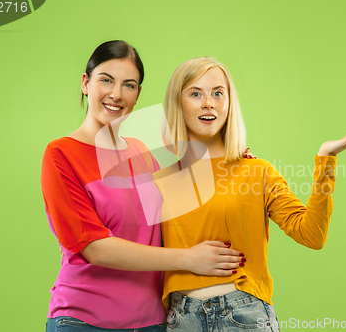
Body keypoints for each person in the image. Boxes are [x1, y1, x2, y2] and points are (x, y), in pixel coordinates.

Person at [155, 57, 346, 331]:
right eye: (195, 93)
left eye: (218, 93)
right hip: (181, 319)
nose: (208, 103)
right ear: (178, 103)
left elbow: (312, 235)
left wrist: (325, 159)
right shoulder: (159, 176)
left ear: (229, 103)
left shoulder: (257, 171)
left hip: (243, 314)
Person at [41, 41, 246, 331]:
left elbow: (182, 203)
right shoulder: (61, 154)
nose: (116, 94)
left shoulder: (142, 149)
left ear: (137, 94)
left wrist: (230, 162)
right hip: (83, 321)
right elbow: (94, 248)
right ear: (86, 83)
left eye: (129, 85)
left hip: (154, 322)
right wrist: (189, 259)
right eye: (106, 80)